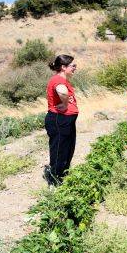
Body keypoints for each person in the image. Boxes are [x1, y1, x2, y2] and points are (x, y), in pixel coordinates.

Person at [44, 54, 79, 185]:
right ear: (64, 67)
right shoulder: (58, 80)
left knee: (68, 149)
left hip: (66, 119)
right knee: (60, 150)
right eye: (73, 66)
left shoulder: (63, 79)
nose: (75, 68)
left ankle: (62, 176)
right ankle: (55, 180)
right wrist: (64, 104)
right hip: (60, 119)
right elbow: (62, 92)